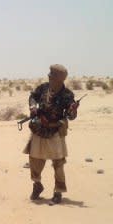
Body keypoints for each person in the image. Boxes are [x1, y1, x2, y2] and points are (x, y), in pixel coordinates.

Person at [23, 64, 79, 204]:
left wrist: (73, 110)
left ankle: (58, 191)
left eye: (52, 75)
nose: (49, 76)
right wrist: (33, 106)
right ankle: (37, 186)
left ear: (59, 79)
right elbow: (32, 97)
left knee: (58, 163)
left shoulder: (67, 95)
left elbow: (71, 116)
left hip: (55, 131)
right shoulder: (43, 88)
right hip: (39, 129)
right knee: (34, 159)